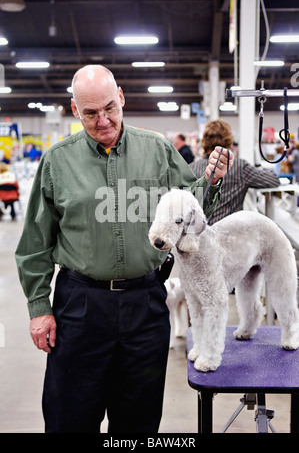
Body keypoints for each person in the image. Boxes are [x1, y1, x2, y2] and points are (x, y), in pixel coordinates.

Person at [15, 65, 233, 434]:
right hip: (80, 309)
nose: (103, 121)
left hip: (145, 306)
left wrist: (210, 182)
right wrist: (39, 308)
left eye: (109, 108)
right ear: (74, 110)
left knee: (138, 422)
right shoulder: (57, 162)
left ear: (121, 99)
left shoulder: (158, 150)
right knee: (70, 418)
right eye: (90, 113)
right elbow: (35, 243)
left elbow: (190, 206)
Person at [190, 119, 280, 224]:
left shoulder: (191, 168)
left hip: (201, 234)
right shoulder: (240, 167)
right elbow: (273, 180)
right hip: (232, 233)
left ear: (204, 142)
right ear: (229, 141)